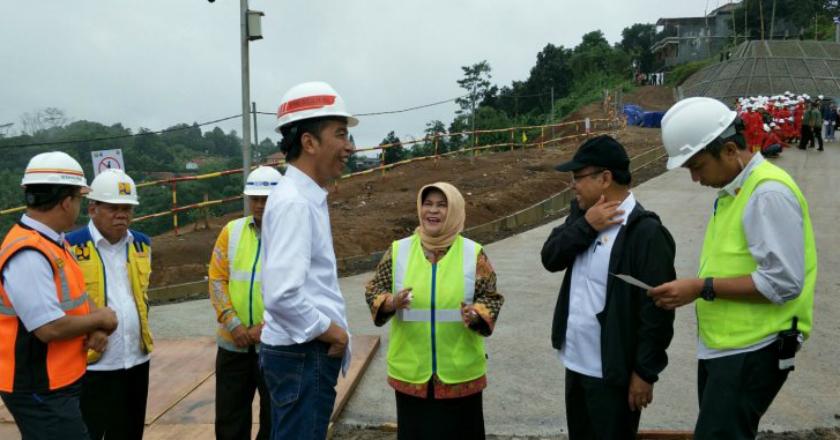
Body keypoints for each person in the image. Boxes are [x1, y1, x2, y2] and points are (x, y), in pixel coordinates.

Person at [652, 97, 817, 440]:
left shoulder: (767, 193)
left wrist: (701, 287)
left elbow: (783, 281)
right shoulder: (734, 190)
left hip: (754, 348)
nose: (695, 178)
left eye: (697, 166)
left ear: (729, 150)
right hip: (729, 346)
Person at [540, 135, 676, 439]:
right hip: (575, 364)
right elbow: (550, 258)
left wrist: (644, 372)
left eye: (578, 177)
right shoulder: (582, 217)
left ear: (605, 178)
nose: (572, 185)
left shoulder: (646, 233)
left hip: (613, 374)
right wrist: (586, 226)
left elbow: (658, 312)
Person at [364, 182, 504, 440]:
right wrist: (391, 303)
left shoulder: (473, 253)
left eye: (442, 205)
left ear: (454, 211)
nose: (433, 211)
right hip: (412, 371)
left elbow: (491, 296)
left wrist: (476, 314)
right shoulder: (399, 251)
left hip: (460, 373)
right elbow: (374, 289)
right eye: (428, 204)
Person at [259, 81, 355, 439]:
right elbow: (282, 294)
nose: (349, 146)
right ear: (309, 142)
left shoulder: (304, 196)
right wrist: (333, 332)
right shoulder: (296, 203)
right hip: (303, 354)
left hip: (300, 354)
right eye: (341, 134)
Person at [0, 152, 118, 439]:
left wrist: (98, 324)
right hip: (38, 387)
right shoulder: (28, 253)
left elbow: (76, 296)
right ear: (67, 202)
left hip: (59, 379)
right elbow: (48, 327)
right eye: (79, 199)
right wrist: (101, 318)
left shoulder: (52, 242)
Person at [66, 169, 153, 440]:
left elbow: (142, 298)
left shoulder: (142, 244)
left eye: (127, 208)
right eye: (114, 208)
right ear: (93, 208)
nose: (122, 215)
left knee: (129, 434)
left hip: (136, 361)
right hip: (92, 366)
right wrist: (92, 325)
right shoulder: (70, 247)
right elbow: (63, 302)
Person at [208, 165, 281, 440]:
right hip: (232, 344)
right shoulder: (232, 231)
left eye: (267, 199)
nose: (260, 205)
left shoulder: (290, 235)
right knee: (230, 419)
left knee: (274, 419)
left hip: (275, 346)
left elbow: (300, 290)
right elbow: (216, 279)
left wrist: (267, 328)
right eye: (255, 199)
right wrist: (234, 323)